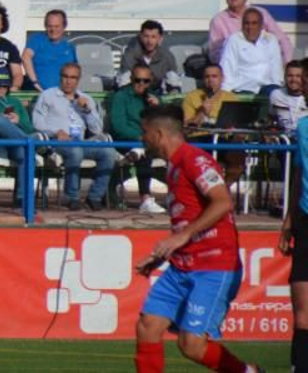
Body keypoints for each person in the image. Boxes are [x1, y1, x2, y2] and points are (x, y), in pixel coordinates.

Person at [133, 106, 259, 373]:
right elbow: (185, 221)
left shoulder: (195, 159)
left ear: (158, 134)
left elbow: (223, 202)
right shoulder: (173, 168)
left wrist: (182, 237)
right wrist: (160, 257)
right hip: (181, 266)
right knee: (147, 326)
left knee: (191, 345)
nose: (142, 138)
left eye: (144, 133)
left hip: (213, 266)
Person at [31, 64, 117, 211]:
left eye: (73, 78)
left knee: (109, 152)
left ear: (78, 80)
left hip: (81, 142)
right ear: (60, 77)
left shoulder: (86, 99)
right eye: (65, 77)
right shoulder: (48, 95)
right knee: (75, 151)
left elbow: (97, 130)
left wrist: (87, 110)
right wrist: (55, 132)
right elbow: (37, 123)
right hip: (56, 142)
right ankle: (71, 197)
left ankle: (94, 197)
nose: (68, 81)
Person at [108, 64, 168, 214]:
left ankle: (179, 194)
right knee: (144, 154)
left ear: (151, 81)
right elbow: (118, 125)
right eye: (137, 80)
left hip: (150, 142)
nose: (141, 84)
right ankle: (145, 198)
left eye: (145, 81)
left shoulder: (153, 98)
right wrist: (139, 137)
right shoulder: (121, 97)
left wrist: (157, 108)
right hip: (125, 140)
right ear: (131, 79)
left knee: (177, 153)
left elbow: (165, 124)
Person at [182, 63, 249, 186]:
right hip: (199, 139)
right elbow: (185, 129)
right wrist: (201, 112)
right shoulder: (192, 97)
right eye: (207, 77)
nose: (210, 80)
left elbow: (239, 126)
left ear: (222, 79)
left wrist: (236, 131)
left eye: (214, 76)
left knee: (238, 153)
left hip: (223, 138)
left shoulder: (230, 97)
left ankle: (224, 190)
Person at [279, 110, 308, 372]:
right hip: (305, 223)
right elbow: (299, 175)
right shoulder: (302, 127)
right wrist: (289, 222)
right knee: (302, 313)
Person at [208, 0, 292, 66]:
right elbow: (214, 53)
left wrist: (286, 64)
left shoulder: (261, 13)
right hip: (236, 69)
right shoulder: (218, 20)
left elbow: (282, 40)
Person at [217, 7, 283, 98]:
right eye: (246, 23)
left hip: (267, 88)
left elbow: (276, 70)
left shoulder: (271, 39)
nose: (250, 27)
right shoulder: (234, 40)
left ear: (261, 25)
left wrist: (277, 88)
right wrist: (224, 95)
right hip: (242, 89)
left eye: (254, 23)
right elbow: (227, 69)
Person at [117, 19, 180, 92]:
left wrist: (173, 92)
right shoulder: (130, 54)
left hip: (155, 93)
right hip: (133, 93)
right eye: (146, 36)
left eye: (153, 37)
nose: (149, 41)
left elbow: (174, 83)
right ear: (140, 36)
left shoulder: (167, 56)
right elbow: (124, 82)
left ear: (160, 39)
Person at [22, 9, 77, 92]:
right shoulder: (37, 39)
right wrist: (35, 83)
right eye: (50, 26)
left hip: (61, 94)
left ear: (64, 26)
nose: (53, 30)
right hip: (39, 92)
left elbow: (75, 72)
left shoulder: (69, 47)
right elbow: (26, 57)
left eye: (57, 26)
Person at [270, 60, 308, 132]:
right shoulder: (276, 95)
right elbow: (272, 117)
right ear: (285, 77)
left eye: (298, 76)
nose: (293, 79)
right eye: (290, 76)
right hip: (284, 138)